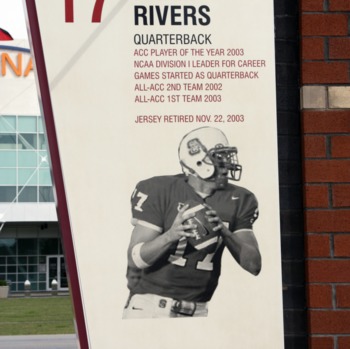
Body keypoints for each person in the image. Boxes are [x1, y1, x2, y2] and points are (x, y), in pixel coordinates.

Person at [123, 126, 261, 319]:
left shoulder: (240, 198)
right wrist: (171, 235)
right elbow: (135, 259)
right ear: (198, 162)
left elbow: (254, 266)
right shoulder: (160, 190)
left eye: (227, 157)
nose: (228, 165)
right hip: (150, 308)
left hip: (199, 310)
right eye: (219, 158)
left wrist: (225, 232)